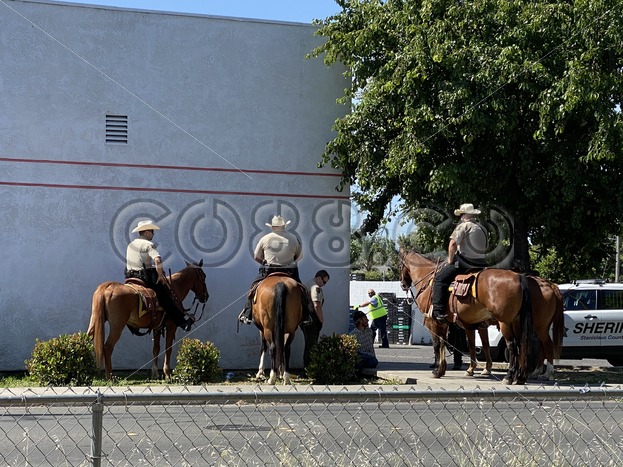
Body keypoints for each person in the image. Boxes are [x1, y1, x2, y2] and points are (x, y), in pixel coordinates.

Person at [238, 215, 313, 325]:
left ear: (272, 227)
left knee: (253, 288)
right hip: (290, 271)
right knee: (303, 291)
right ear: (284, 226)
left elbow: (256, 256)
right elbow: (300, 256)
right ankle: (306, 316)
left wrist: (263, 262)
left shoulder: (265, 238)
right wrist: (291, 261)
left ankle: (247, 314)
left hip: (269, 270)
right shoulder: (293, 238)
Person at [125, 219, 194, 332]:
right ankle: (182, 322)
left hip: (130, 278)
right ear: (146, 232)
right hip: (144, 278)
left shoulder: (131, 244)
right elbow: (157, 260)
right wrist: (160, 275)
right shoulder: (148, 244)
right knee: (165, 296)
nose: (153, 234)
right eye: (152, 231)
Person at [431, 203, 488, 323]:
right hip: (481, 263)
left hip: (465, 263)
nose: (460, 217)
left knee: (439, 279)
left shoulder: (463, 226)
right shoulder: (482, 228)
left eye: (461, 214)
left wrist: (450, 260)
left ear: (465, 215)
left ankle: (438, 311)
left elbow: (452, 244)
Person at [301, 270, 330, 370]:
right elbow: (316, 305)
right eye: (324, 282)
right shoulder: (315, 287)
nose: (324, 285)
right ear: (318, 278)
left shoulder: (307, 284)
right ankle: (309, 369)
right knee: (311, 345)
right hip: (312, 318)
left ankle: (308, 368)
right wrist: (321, 320)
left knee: (309, 343)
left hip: (306, 318)